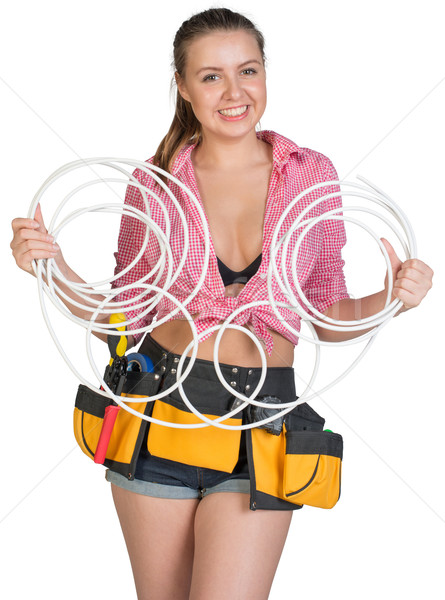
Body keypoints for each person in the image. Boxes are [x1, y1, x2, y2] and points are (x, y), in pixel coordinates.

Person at [10, 8, 433, 600]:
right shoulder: (155, 183)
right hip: (157, 412)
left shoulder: (311, 176)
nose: (234, 93)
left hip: (263, 421)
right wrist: (50, 267)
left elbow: (324, 315)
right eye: (211, 76)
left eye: (248, 71)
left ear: (265, 75)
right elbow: (123, 316)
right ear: (183, 87)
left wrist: (390, 300)